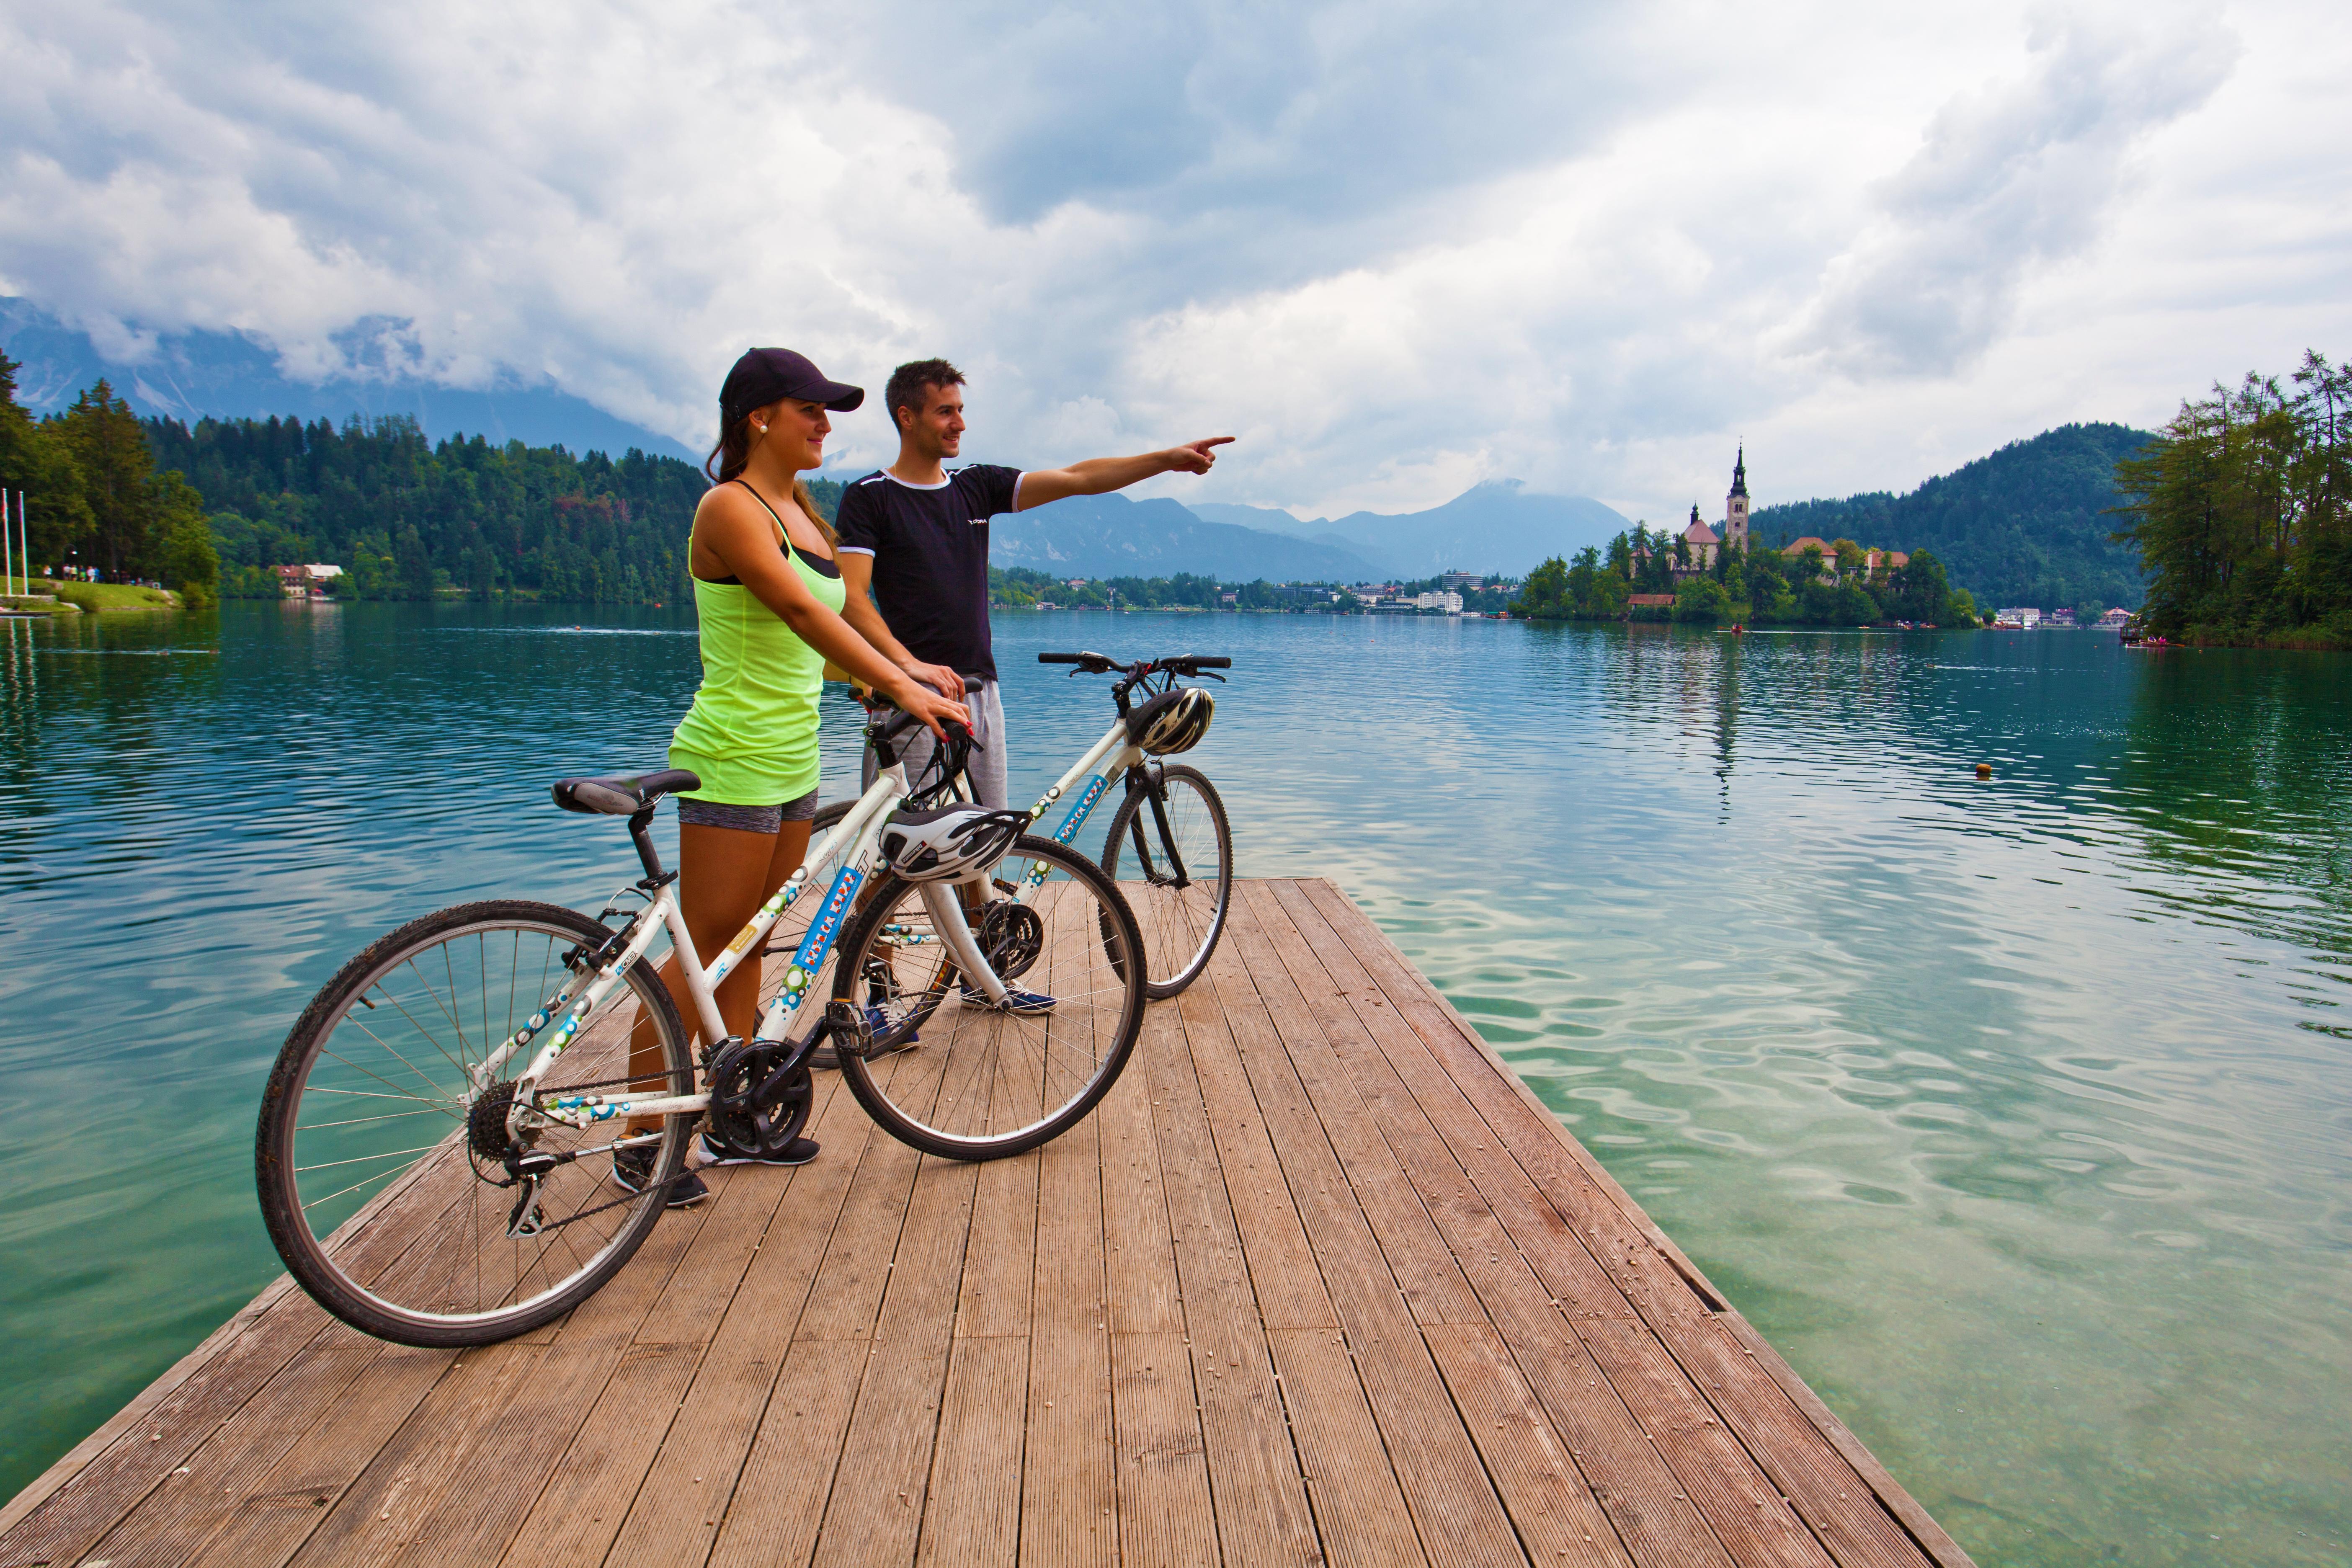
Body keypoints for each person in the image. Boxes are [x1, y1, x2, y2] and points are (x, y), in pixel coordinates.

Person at [615, 348, 970, 1206]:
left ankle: (737, 1110)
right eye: (809, 409)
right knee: (706, 947)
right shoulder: (728, 507)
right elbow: (802, 611)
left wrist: (907, 659)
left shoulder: (796, 508)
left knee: (751, 942)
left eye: (829, 411)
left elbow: (848, 603)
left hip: (792, 756)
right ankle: (639, 1136)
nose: (825, 424)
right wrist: (897, 686)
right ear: (758, 419)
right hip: (732, 757)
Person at [831, 357, 1232, 815]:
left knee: (983, 840)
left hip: (980, 690)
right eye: (945, 412)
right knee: (898, 854)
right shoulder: (871, 496)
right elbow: (852, 596)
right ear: (907, 416)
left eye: (961, 410)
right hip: (912, 697)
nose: (960, 423)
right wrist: (909, 666)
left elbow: (1077, 479)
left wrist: (1166, 460)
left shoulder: (974, 486)